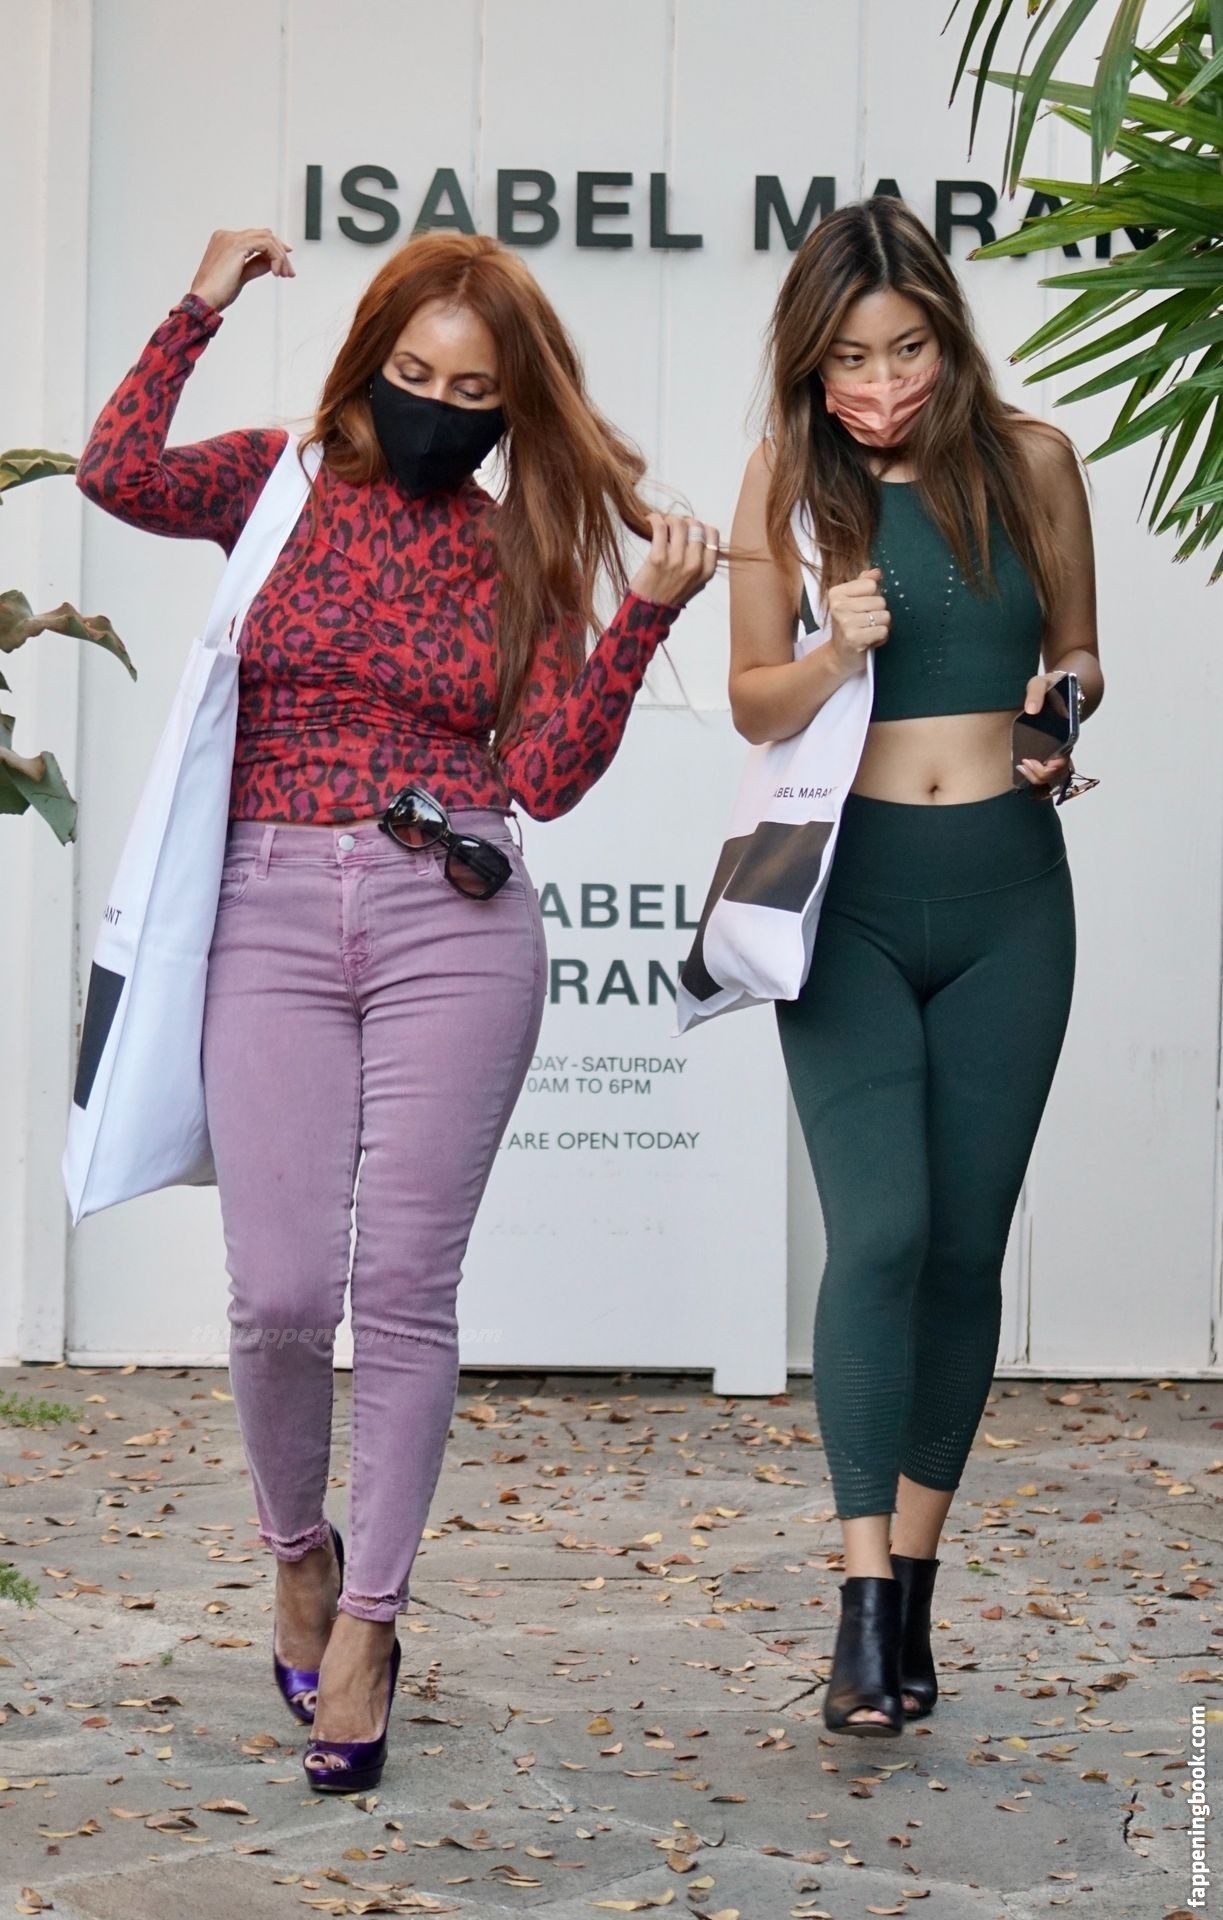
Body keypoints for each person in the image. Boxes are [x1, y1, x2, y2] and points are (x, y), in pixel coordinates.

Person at [75, 225, 720, 1790]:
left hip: (456, 911)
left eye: (475, 391)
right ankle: (297, 1552)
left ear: (513, 407)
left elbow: (545, 776)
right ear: (370, 361)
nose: (438, 406)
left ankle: (369, 1624)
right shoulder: (274, 483)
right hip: (269, 903)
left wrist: (646, 614)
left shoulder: (515, 549)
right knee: (283, 1293)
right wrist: (200, 303)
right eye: (415, 372)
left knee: (410, 1290)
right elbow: (114, 473)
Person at [726, 196, 1101, 1737]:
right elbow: (754, 701)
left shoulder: (1033, 464)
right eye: (848, 361)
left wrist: (1058, 715)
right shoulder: (785, 481)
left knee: (963, 1252)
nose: (879, 385)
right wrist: (836, 647)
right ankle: (862, 1599)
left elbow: (1079, 650)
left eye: (905, 350)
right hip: (849, 901)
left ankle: (922, 1576)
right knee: (878, 1234)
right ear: (809, 368)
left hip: (1011, 900)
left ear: (947, 333)